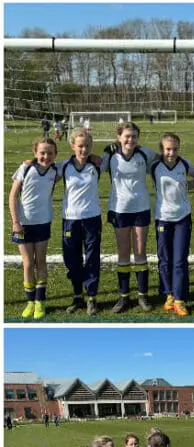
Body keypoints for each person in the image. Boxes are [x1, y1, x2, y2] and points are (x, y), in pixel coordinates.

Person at [104, 122, 158, 313]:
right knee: (124, 253)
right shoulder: (110, 155)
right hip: (119, 209)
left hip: (141, 208)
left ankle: (143, 295)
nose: (130, 140)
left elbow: (166, 158)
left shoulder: (146, 153)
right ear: (119, 137)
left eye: (134, 136)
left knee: (141, 251)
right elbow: (92, 163)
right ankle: (123, 296)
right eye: (126, 136)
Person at [150, 132, 194, 317]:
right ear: (162, 150)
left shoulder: (185, 164)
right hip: (162, 217)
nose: (171, 152)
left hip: (182, 217)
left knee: (179, 260)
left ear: (179, 149)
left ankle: (179, 299)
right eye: (167, 149)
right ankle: (169, 295)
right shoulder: (154, 165)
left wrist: (188, 186)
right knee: (165, 259)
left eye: (174, 149)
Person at [10, 137, 59, 319]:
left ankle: (40, 301)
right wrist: (16, 222)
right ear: (35, 153)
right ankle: (30, 301)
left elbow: (76, 161)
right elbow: (13, 196)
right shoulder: (26, 168)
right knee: (28, 264)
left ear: (55, 155)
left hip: (43, 222)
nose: (46, 156)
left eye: (50, 153)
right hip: (23, 223)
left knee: (41, 262)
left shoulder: (55, 170)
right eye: (42, 153)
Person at [59, 129, 105, 315]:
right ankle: (78, 295)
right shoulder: (64, 166)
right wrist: (30, 163)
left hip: (92, 218)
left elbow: (119, 150)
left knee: (92, 258)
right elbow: (44, 170)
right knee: (72, 258)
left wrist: (99, 154)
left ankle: (91, 297)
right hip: (70, 219)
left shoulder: (97, 164)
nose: (83, 149)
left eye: (87, 146)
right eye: (80, 146)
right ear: (72, 146)